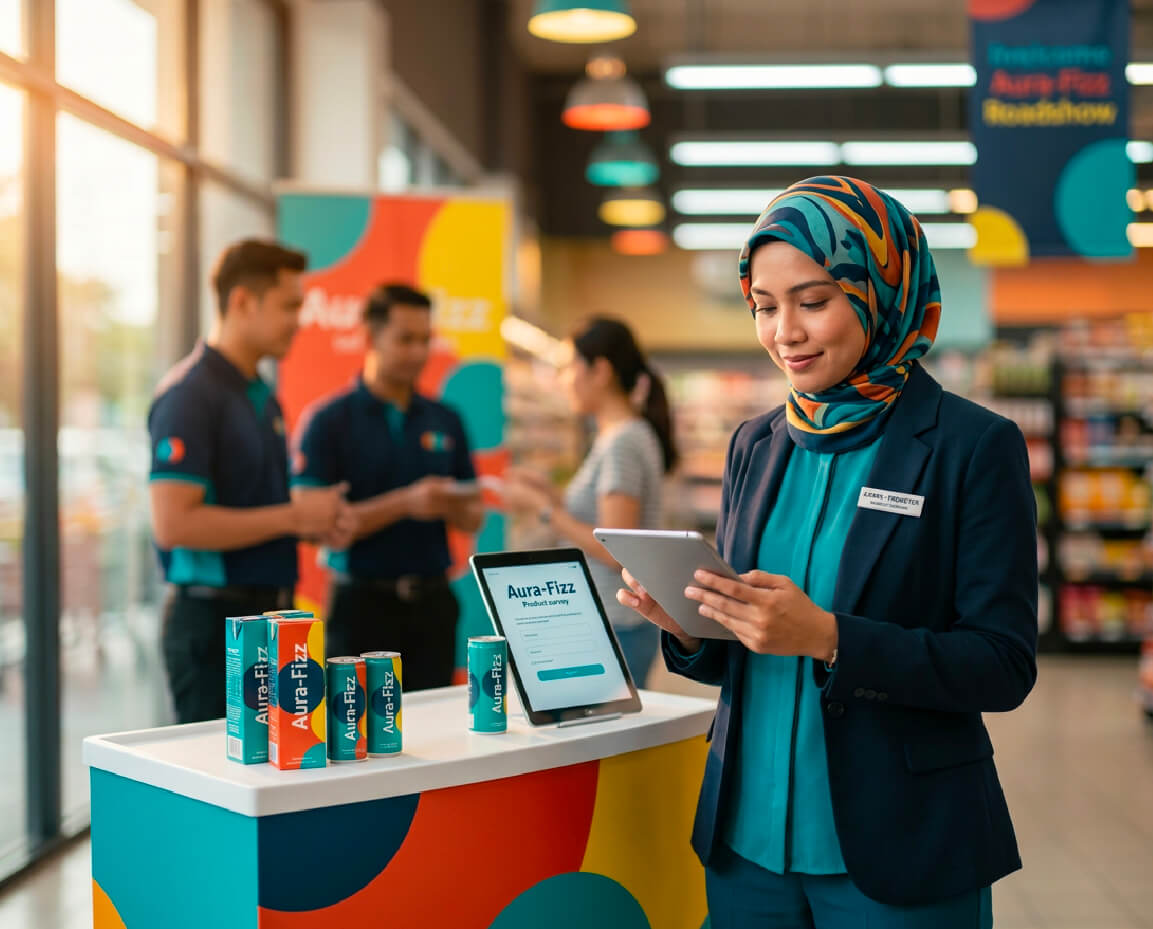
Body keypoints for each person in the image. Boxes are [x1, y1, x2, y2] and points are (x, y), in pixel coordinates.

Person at [617, 177, 1037, 928]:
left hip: (894, 844)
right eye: (764, 306)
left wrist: (832, 639)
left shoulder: (971, 447)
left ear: (881, 292)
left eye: (813, 301)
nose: (786, 332)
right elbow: (738, 649)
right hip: (746, 842)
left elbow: (1001, 663)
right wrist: (685, 621)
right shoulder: (755, 442)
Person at [149, 239, 353, 724]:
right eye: (289, 306)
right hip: (214, 628)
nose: (299, 320)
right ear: (242, 301)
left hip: (270, 619)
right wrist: (294, 515)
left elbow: (252, 507)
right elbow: (174, 524)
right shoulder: (189, 395)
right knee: (219, 791)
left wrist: (312, 521)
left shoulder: (260, 395)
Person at [292, 283, 482, 689]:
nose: (418, 352)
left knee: (436, 734)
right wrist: (405, 503)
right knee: (354, 735)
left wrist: (453, 503)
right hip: (360, 607)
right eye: (405, 339)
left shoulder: (446, 419)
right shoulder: (328, 421)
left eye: (425, 339)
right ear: (370, 337)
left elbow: (473, 515)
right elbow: (313, 526)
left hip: (433, 606)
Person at [500, 317, 677, 687]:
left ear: (600, 370)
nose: (562, 380)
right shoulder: (619, 435)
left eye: (568, 368)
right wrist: (550, 493)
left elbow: (616, 549)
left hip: (615, 622)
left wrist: (543, 510)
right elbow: (604, 517)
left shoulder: (622, 442)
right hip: (615, 621)